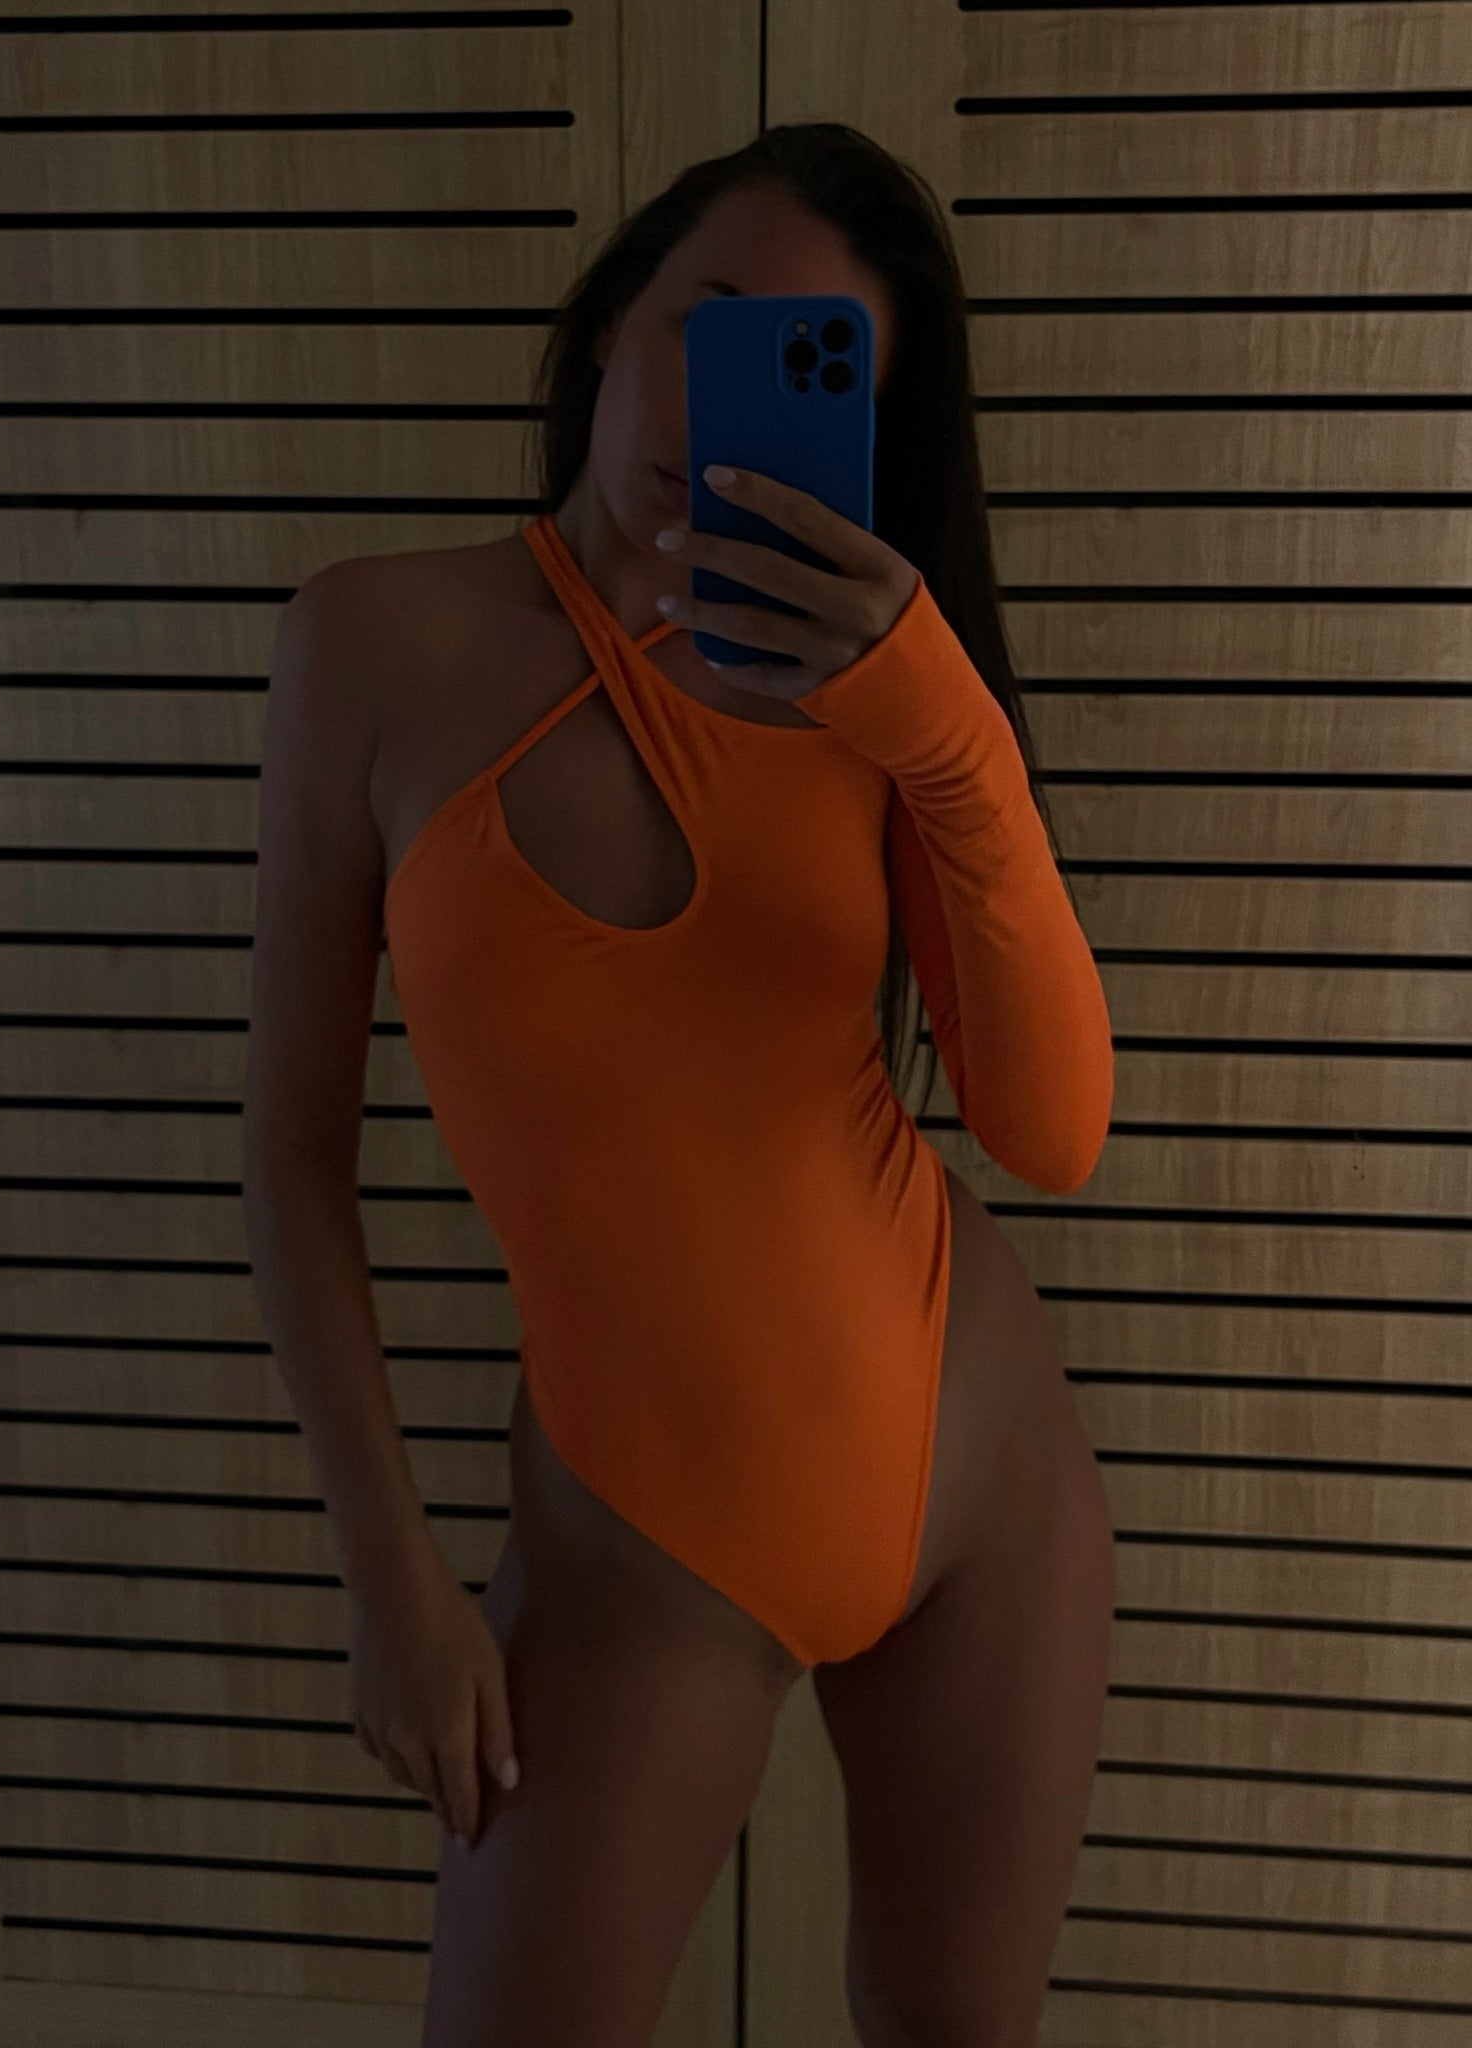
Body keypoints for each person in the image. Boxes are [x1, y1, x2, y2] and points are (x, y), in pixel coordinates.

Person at [243, 120, 1118, 2048]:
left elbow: (1053, 1133)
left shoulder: (877, 690)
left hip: (983, 1475)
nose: (718, 412)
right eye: (708, 326)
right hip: (642, 1543)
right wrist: (390, 1582)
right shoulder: (373, 643)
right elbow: (294, 1161)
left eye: (808, 373)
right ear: (612, 316)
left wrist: (943, 721)